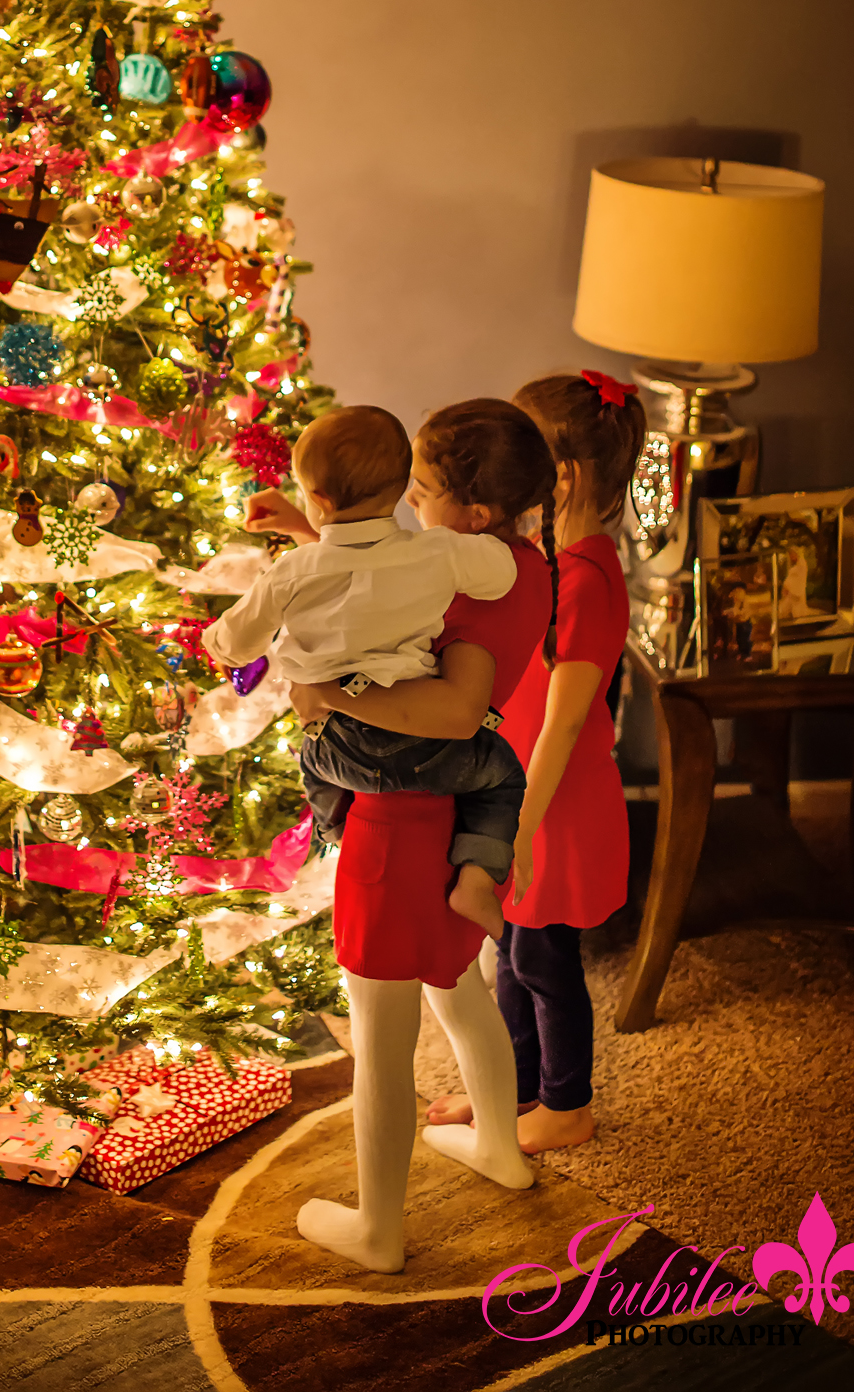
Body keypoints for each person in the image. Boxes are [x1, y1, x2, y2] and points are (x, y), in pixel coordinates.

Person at [244, 399, 561, 1271]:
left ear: (476, 513)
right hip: (456, 828)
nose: (407, 507)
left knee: (378, 1042)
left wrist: (329, 698)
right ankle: (499, 1146)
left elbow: (456, 712)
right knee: (457, 989)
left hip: (397, 827)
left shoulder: (455, 577)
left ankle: (379, 1229)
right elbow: (365, 569)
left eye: (418, 491)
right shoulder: (514, 567)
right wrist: (301, 531)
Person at [418, 369, 645, 1156]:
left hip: (553, 804)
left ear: (566, 476)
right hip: (517, 796)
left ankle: (566, 1103)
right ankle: (509, 1089)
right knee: (507, 956)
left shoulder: (586, 579)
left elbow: (565, 722)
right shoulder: (543, 560)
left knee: (542, 961)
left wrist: (515, 826)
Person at [202, 405, 521, 936]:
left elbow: (234, 646)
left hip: (335, 749)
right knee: (502, 772)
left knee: (306, 757)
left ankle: (336, 834)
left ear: (320, 501)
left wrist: (214, 638)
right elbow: (501, 576)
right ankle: (477, 878)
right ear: (400, 490)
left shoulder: (292, 571)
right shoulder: (437, 552)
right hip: (424, 747)